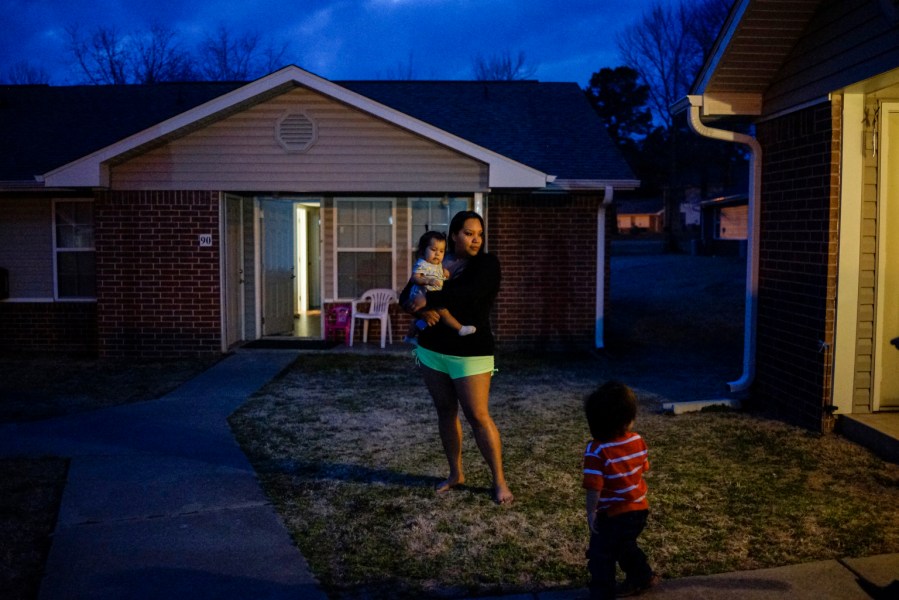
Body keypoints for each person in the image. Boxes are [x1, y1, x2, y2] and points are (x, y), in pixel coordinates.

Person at [403, 210, 513, 505]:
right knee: (445, 412)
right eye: (468, 233)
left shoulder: (486, 264)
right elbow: (407, 295)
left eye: (479, 234)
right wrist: (420, 309)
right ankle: (455, 474)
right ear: (454, 234)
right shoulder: (438, 260)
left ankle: (499, 481)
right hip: (431, 350)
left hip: (470, 352)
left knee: (477, 416)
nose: (476, 239)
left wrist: (430, 298)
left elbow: (470, 293)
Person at [582, 381, 658, 598]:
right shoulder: (637, 440)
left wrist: (591, 512)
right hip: (639, 510)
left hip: (613, 514)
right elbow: (643, 467)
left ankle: (602, 592)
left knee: (601, 554)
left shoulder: (596, 450)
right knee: (625, 546)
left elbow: (594, 487)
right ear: (628, 420)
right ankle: (642, 576)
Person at [402, 231, 476, 344]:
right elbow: (415, 278)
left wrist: (444, 273)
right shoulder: (422, 264)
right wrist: (427, 280)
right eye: (433, 250)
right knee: (443, 312)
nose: (437, 254)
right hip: (420, 295)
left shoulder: (438, 265)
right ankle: (460, 328)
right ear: (423, 251)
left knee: (428, 319)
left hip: (431, 296)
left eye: (441, 251)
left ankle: (410, 336)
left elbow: (440, 276)